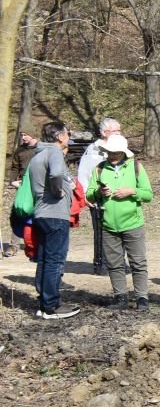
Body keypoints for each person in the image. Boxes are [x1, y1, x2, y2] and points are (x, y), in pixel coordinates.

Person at [86, 132, 152, 311]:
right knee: (114, 263)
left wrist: (132, 191)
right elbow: (89, 194)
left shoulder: (136, 167)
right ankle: (120, 297)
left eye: (116, 153)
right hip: (108, 225)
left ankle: (142, 298)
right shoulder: (99, 169)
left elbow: (148, 194)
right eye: (110, 152)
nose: (112, 156)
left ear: (123, 152)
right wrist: (99, 192)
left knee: (138, 262)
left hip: (133, 223)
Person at [26, 122, 78, 318]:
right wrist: (57, 191)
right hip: (55, 214)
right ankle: (51, 306)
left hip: (41, 213)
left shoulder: (37, 155)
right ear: (59, 136)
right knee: (55, 260)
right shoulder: (54, 152)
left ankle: (43, 303)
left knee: (45, 259)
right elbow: (56, 174)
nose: (68, 137)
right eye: (67, 134)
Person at [77, 117, 121, 274]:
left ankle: (116, 263)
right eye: (115, 131)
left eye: (119, 130)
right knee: (102, 232)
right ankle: (101, 264)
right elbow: (83, 173)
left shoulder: (119, 149)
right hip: (97, 197)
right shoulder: (94, 150)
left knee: (116, 231)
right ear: (104, 133)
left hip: (115, 197)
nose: (119, 133)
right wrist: (85, 195)